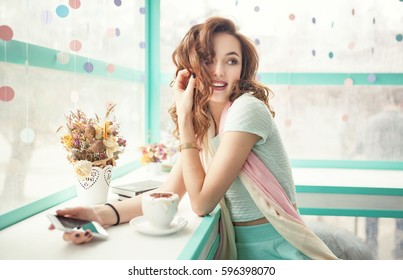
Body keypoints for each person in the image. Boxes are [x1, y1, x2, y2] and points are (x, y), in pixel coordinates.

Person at [49, 17, 337, 260]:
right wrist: (98, 213)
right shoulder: (207, 125)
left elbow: (201, 203)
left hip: (276, 251)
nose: (219, 71)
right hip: (245, 251)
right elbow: (168, 192)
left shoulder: (246, 109)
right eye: (208, 60)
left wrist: (185, 120)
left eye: (231, 61)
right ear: (191, 68)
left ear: (242, 69)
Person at [361, 90, 403, 259]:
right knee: (400, 214)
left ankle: (371, 252)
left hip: (374, 177)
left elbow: (363, 146)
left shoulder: (371, 122)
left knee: (372, 216)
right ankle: (399, 251)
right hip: (398, 177)